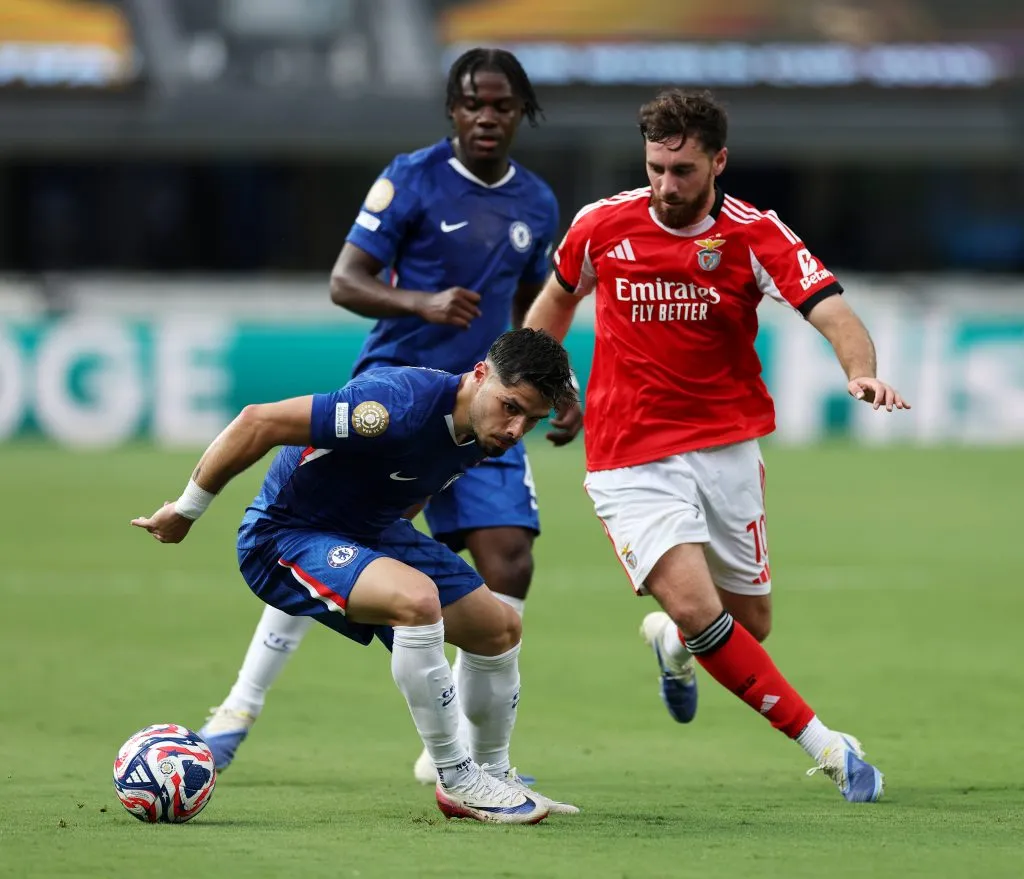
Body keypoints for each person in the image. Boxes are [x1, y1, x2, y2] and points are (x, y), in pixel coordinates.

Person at [196, 47, 582, 782]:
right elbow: (346, 280)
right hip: (397, 407)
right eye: (473, 103)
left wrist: (553, 386)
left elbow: (533, 307)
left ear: (521, 112)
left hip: (491, 411)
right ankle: (238, 708)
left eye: (502, 105)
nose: (487, 117)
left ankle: (454, 750)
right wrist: (421, 303)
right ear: (452, 109)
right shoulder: (411, 178)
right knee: (332, 536)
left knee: (510, 557)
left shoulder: (536, 201)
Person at [524, 89, 910, 803]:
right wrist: (537, 387)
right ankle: (829, 748)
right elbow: (557, 299)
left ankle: (671, 642)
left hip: (726, 449)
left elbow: (834, 312)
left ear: (718, 162)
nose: (667, 186)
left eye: (683, 171)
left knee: (748, 624)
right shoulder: (601, 225)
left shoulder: (755, 233)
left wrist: (860, 372)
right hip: (629, 452)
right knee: (703, 611)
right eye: (656, 168)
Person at [131, 329, 579, 824]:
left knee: (499, 629)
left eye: (531, 420)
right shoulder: (394, 404)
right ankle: (457, 779)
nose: (516, 430)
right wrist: (187, 510)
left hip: (374, 531)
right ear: (479, 375)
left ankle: (494, 773)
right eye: (511, 407)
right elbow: (258, 421)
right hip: (285, 535)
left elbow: (415, 480)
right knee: (417, 600)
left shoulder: (483, 431)